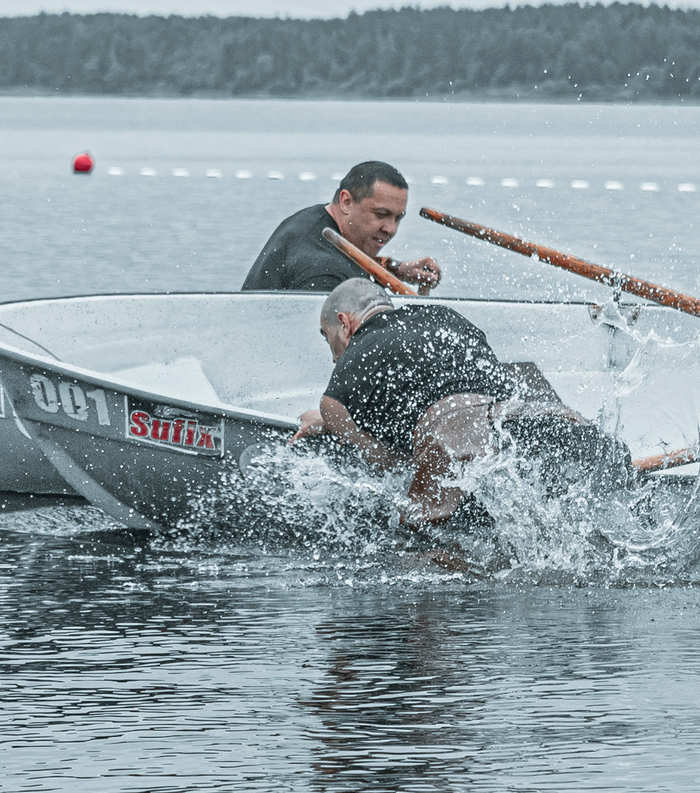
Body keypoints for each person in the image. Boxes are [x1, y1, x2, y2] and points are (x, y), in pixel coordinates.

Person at [294, 279, 634, 528]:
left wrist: (327, 420)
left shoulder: (360, 349)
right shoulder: (445, 317)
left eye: (329, 340)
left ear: (344, 323)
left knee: (417, 537)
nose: (333, 355)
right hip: (527, 411)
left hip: (457, 433)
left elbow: (384, 459)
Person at [242, 161, 443, 293]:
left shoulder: (315, 221)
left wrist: (395, 270)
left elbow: (347, 261)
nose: (391, 229)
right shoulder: (324, 273)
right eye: (381, 215)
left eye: (398, 218)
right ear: (346, 201)